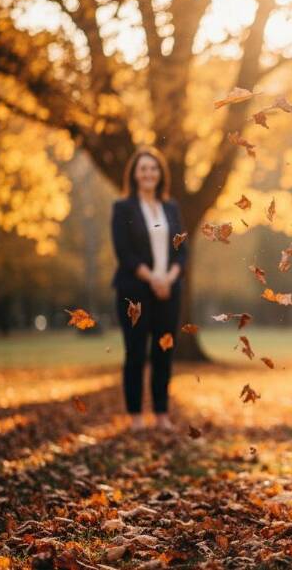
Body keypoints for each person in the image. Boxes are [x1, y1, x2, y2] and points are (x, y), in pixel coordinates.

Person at [111, 146, 187, 431]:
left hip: (169, 291)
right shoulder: (123, 208)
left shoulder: (171, 208)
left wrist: (169, 277)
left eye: (153, 168)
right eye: (143, 168)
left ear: (160, 174)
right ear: (134, 174)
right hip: (135, 291)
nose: (148, 173)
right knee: (135, 354)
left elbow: (181, 249)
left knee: (164, 353)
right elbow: (124, 252)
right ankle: (134, 416)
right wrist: (153, 278)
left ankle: (161, 414)